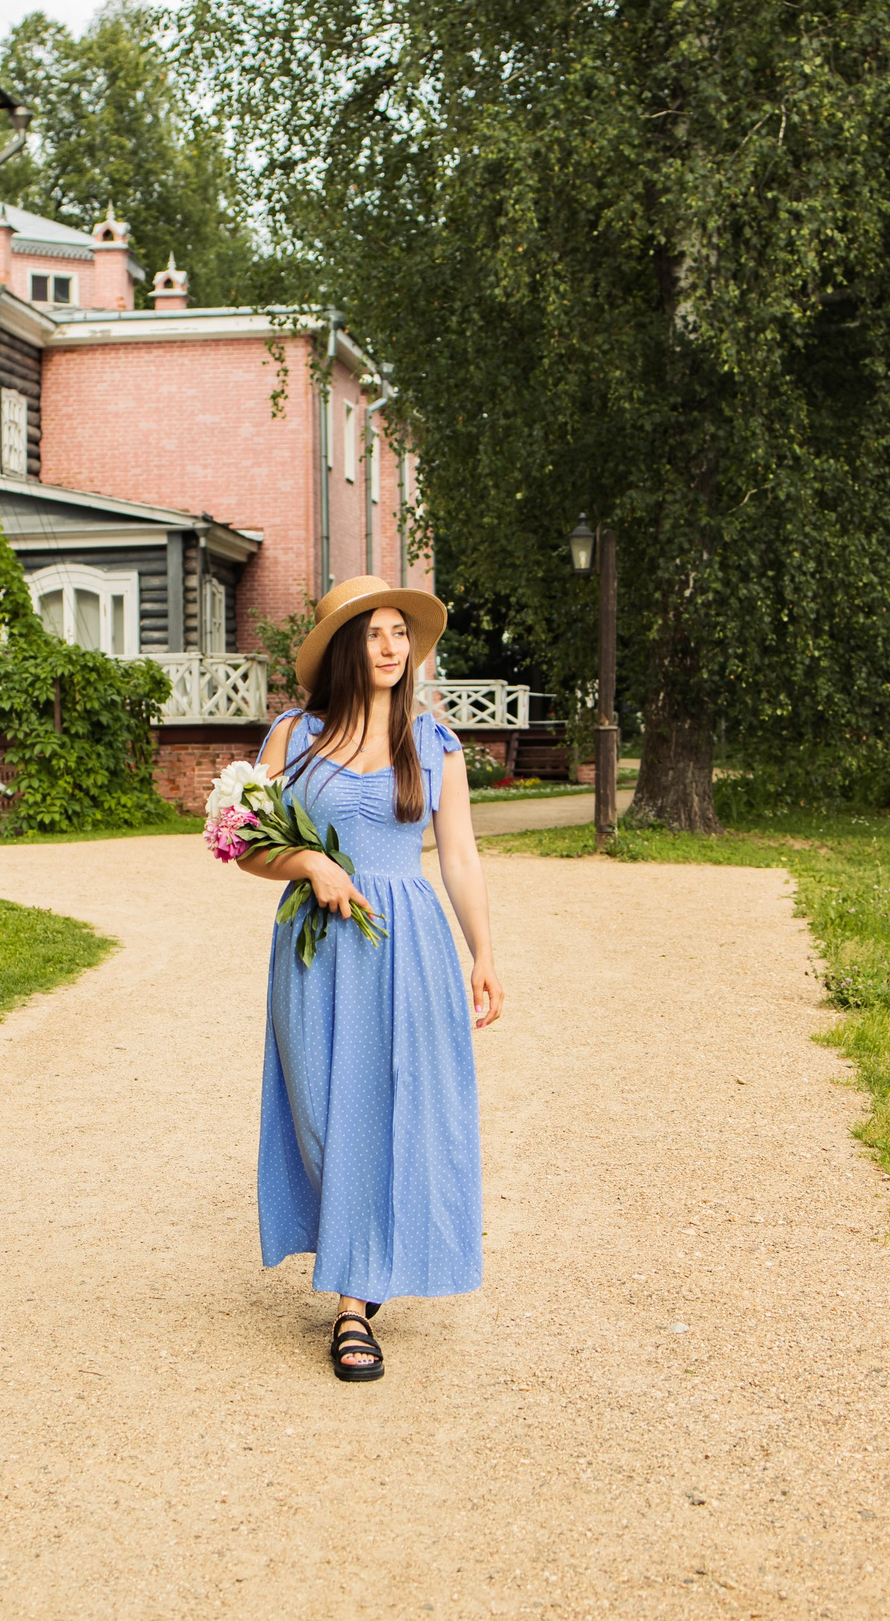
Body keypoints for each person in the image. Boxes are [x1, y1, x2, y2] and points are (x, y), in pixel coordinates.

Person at [229, 575, 503, 1381]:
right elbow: (240, 842)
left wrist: (484, 951)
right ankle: (363, 1242)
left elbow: (458, 855)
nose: (393, 647)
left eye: (400, 633)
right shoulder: (294, 735)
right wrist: (309, 859)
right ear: (348, 645)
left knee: (387, 1109)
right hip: (316, 943)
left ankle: (353, 1303)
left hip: (409, 943)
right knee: (319, 1105)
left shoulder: (435, 743)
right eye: (375, 633)